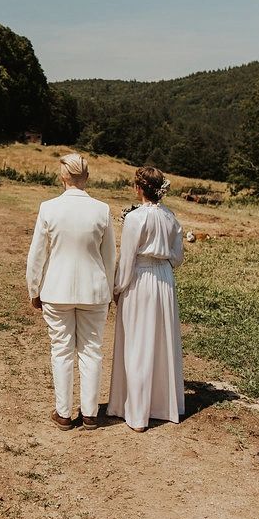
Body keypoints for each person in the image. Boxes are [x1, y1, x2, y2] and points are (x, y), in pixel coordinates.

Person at [26, 154, 116, 430]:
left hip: (56, 289)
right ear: (86, 177)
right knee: (92, 350)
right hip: (94, 290)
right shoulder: (102, 210)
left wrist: (34, 289)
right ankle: (90, 413)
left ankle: (63, 413)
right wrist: (109, 291)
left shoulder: (48, 208)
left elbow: (36, 256)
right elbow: (110, 257)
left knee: (61, 350)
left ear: (62, 177)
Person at [107, 166, 185, 431]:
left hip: (140, 279)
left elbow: (127, 259)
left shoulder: (135, 219)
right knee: (161, 341)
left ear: (138, 188)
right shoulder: (171, 218)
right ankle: (162, 405)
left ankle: (137, 413)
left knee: (137, 342)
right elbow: (178, 257)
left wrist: (118, 289)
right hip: (164, 279)